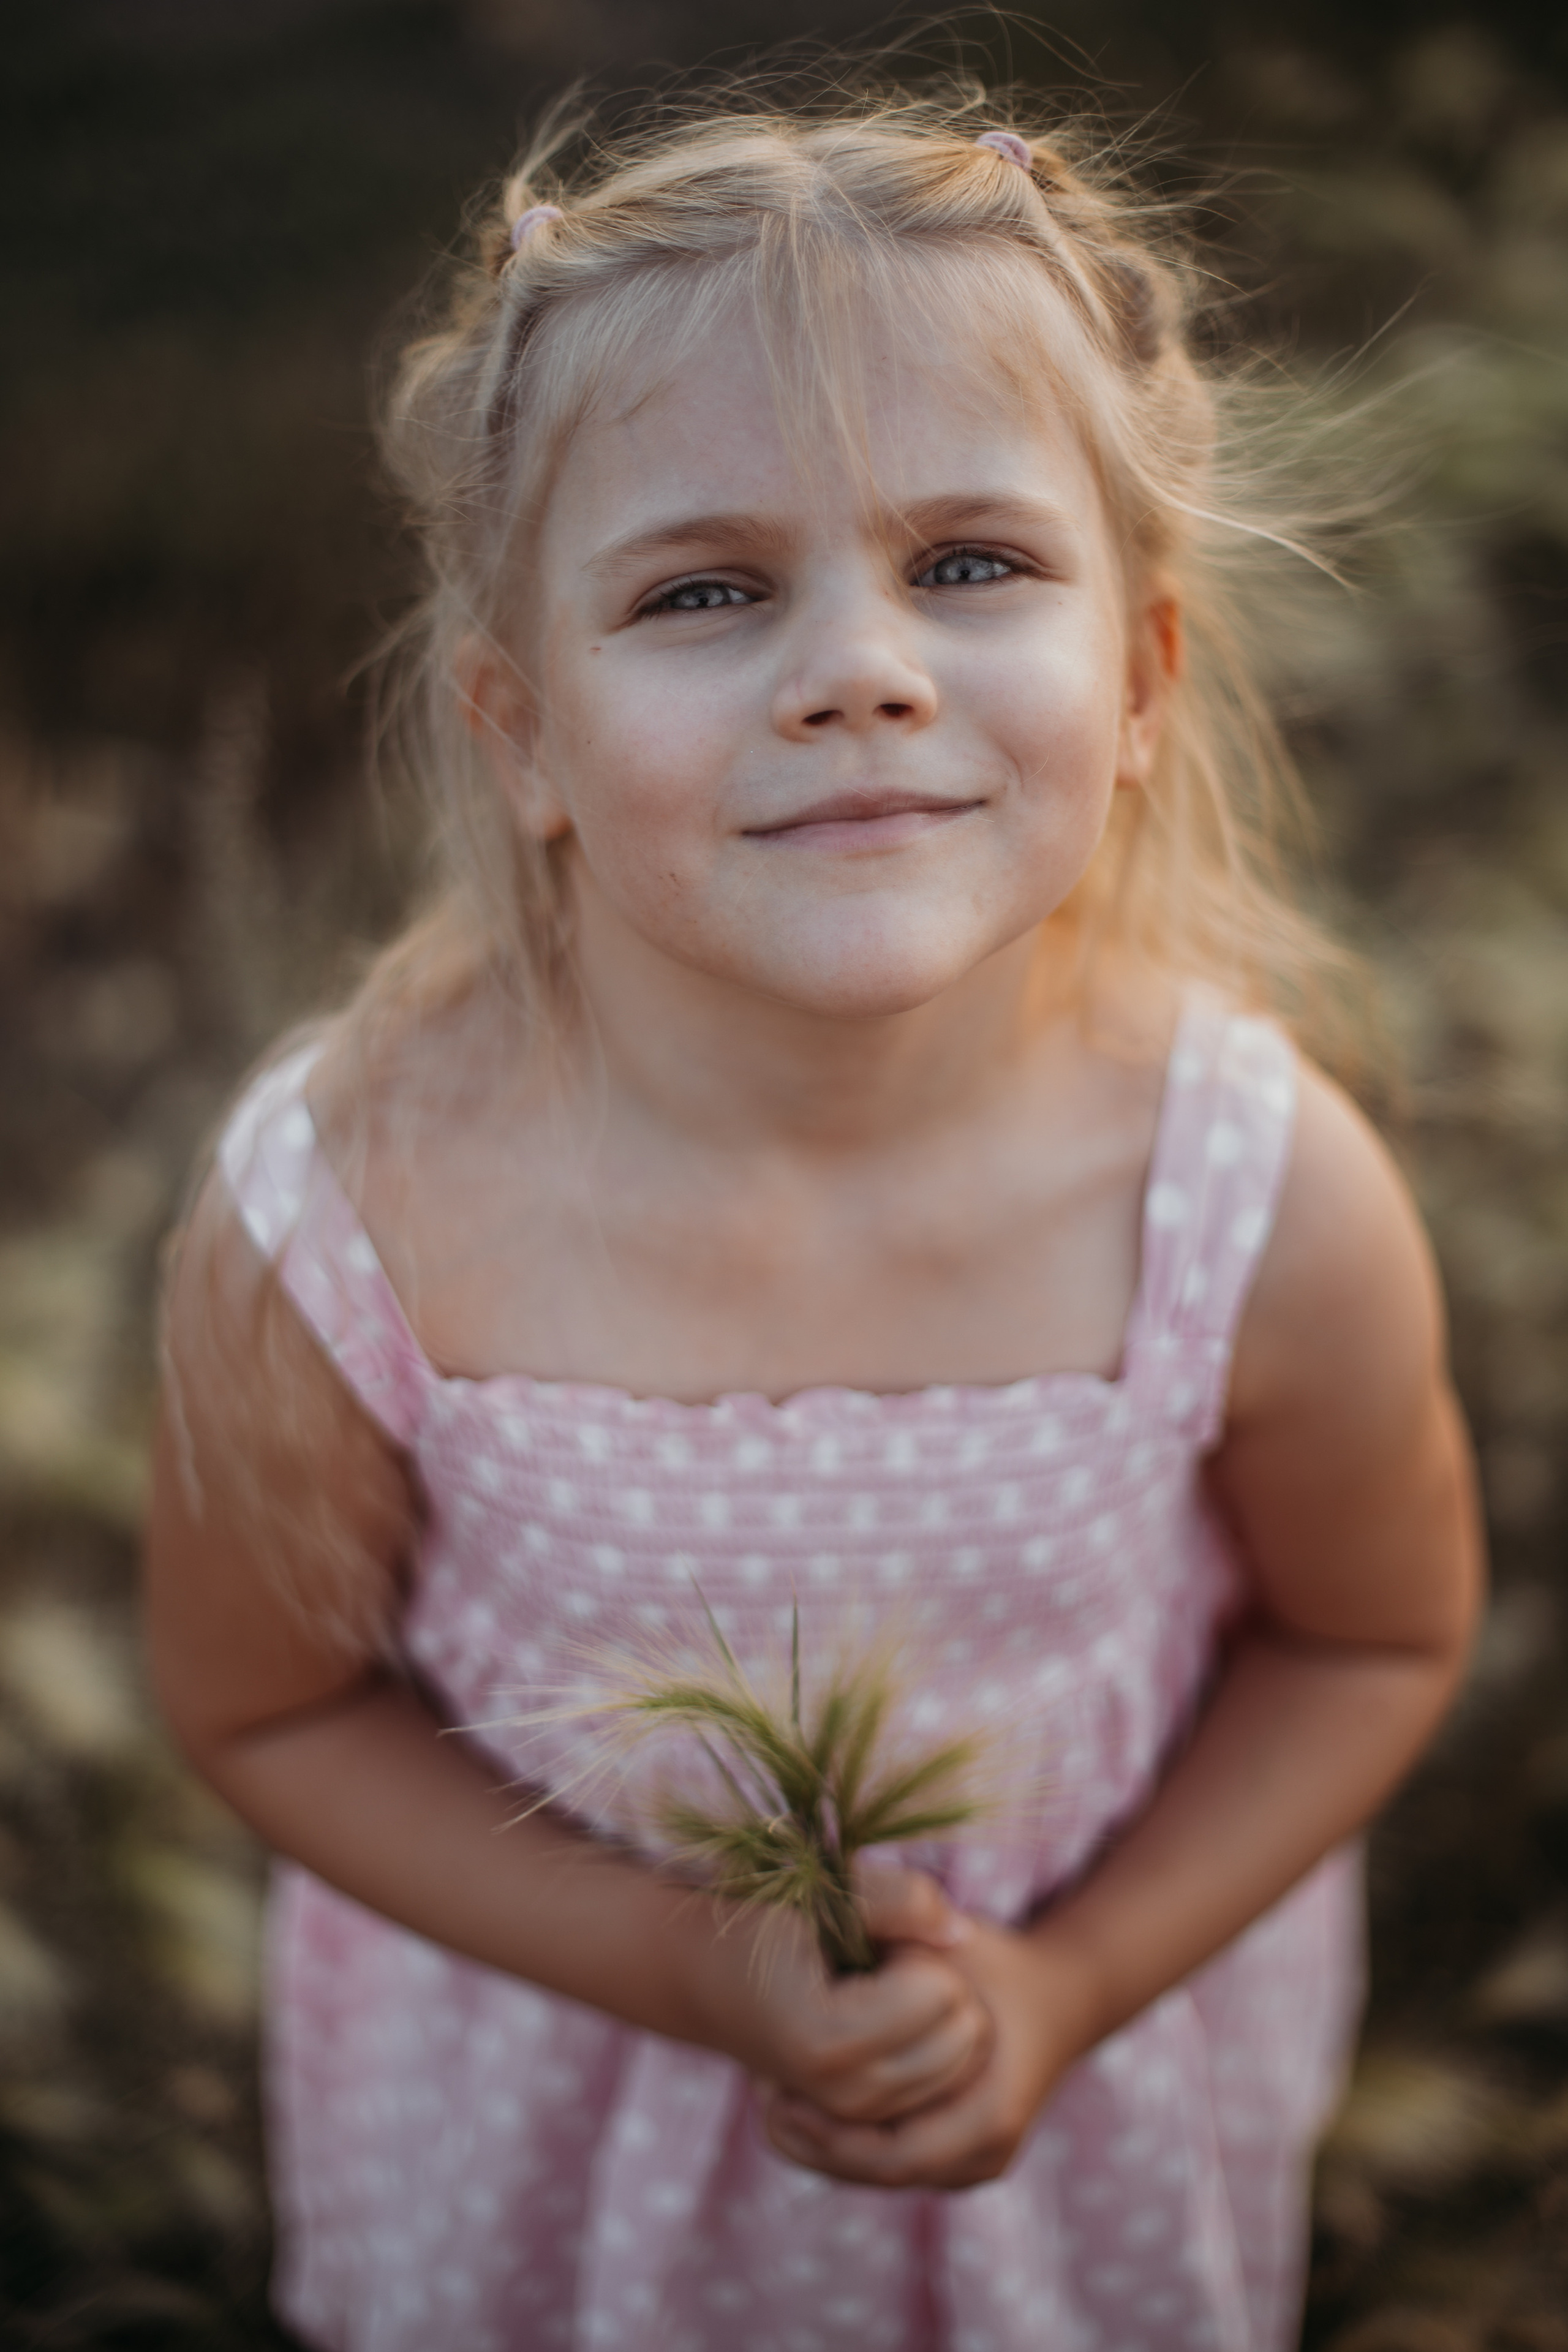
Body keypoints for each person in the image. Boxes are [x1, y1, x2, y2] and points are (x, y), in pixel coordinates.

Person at [145, 88, 1482, 2352]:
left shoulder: (1248, 1200)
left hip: (1076, 2133)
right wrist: (687, 1962)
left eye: (971, 562)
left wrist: (1068, 1989)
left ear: (1142, 682)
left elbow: (1366, 1644)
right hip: (553, 2134)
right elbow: (267, 1711)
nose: (862, 665)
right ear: (524, 735)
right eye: (703, 591)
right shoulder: (352, 1220)